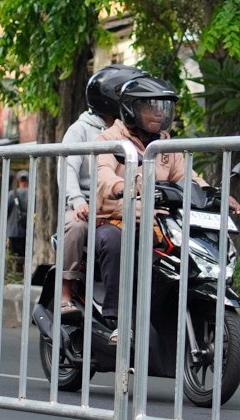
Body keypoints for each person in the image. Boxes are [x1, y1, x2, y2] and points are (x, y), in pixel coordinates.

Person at [91, 72, 194, 323]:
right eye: (151, 106)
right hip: (115, 219)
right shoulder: (110, 139)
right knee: (115, 241)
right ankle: (117, 318)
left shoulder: (166, 146)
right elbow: (102, 173)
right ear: (131, 109)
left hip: (158, 222)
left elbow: (187, 177)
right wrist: (122, 186)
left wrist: (216, 194)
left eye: (163, 107)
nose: (159, 113)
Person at [56, 64, 139, 311]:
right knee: (76, 226)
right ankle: (65, 291)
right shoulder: (80, 130)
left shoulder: (130, 130)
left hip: (120, 204)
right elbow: (67, 169)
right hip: (86, 206)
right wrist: (77, 201)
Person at [4, 171, 31, 266]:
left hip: (13, 233)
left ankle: (14, 273)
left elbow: (5, 213)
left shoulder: (12, 194)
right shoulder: (33, 194)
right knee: (26, 258)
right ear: (28, 181)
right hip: (27, 232)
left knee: (13, 258)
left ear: (18, 181)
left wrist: (6, 235)